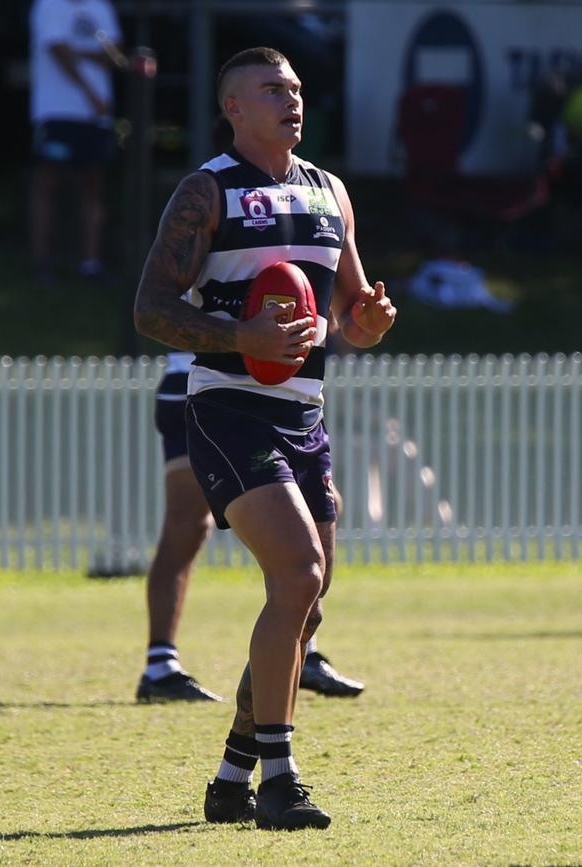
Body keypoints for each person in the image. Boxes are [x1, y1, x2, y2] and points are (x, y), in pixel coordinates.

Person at [134, 47, 396, 831]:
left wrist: (369, 324)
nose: (291, 99)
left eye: (296, 88)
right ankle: (281, 780)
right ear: (233, 109)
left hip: (306, 417)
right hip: (226, 410)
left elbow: (350, 314)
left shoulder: (329, 192)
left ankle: (230, 774)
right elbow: (150, 307)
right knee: (300, 570)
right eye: (271, 89)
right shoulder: (205, 191)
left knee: (304, 601)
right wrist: (236, 332)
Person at [135, 350, 365, 704]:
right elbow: (159, 307)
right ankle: (160, 667)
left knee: (324, 506)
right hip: (204, 382)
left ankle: (302, 645)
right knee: (188, 524)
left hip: (276, 387)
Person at [28, 0, 124, 284]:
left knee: (93, 187)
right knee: (47, 184)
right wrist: (89, 89)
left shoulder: (102, 8)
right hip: (57, 110)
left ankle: (90, 265)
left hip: (96, 116)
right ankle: (41, 263)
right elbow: (57, 49)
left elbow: (115, 56)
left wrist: (79, 52)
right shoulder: (48, 6)